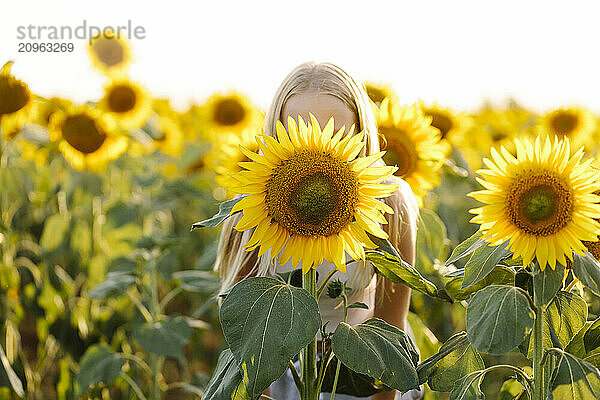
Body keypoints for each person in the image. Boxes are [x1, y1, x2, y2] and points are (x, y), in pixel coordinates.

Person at [214, 62, 421, 400]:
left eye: (335, 136)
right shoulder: (252, 205)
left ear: (359, 135)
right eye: (298, 135)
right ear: (276, 135)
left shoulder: (389, 204)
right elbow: (250, 336)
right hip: (282, 372)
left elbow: (389, 333)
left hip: (359, 374)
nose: (317, 149)